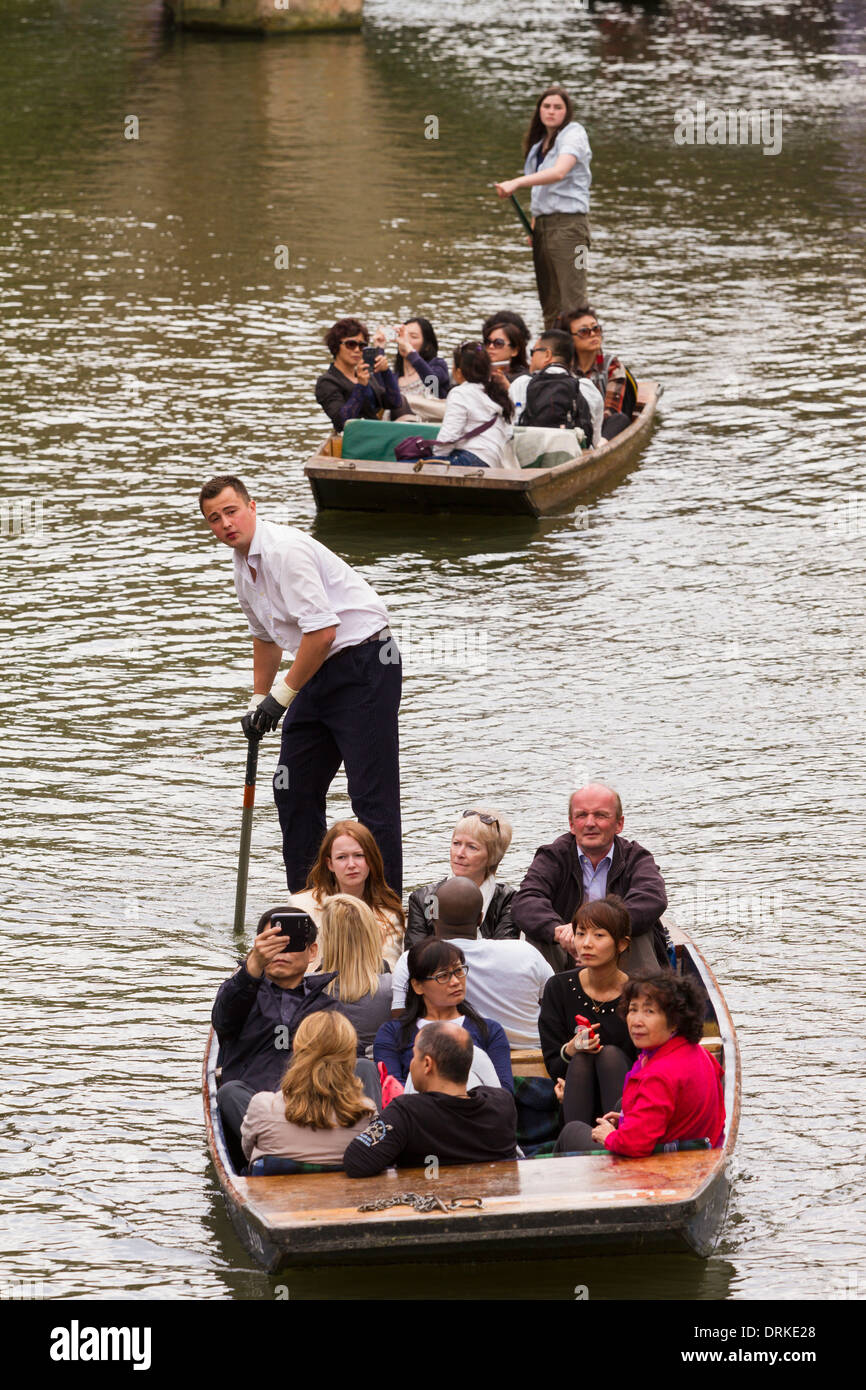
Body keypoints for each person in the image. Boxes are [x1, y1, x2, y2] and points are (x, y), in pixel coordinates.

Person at [199, 475, 403, 894]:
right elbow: (265, 637)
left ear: (252, 507)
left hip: (364, 663)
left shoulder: (284, 552)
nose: (225, 524)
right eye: (214, 519)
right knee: (291, 787)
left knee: (370, 797)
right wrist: (260, 701)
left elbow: (324, 632)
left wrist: (280, 699)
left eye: (231, 511)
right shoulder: (243, 567)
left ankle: (385, 913)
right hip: (316, 670)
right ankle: (311, 904)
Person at [554, 972, 725, 1157]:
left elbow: (634, 1145)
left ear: (675, 1021)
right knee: (620, 1106)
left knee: (571, 1132)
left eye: (649, 1011)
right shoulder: (700, 1053)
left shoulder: (659, 1075)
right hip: (693, 1149)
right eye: (633, 1009)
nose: (636, 1021)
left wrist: (610, 1136)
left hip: (664, 1164)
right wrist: (628, 1120)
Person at [511, 783, 669, 974]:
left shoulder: (636, 857)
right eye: (582, 815)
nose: (590, 823)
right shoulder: (552, 856)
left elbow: (652, 898)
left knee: (637, 932)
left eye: (600, 815)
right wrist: (558, 930)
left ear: (619, 824)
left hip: (617, 952)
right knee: (541, 934)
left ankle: (643, 1000)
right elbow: (526, 900)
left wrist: (596, 930)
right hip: (568, 952)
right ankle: (548, 1000)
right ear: (571, 824)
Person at [212, 906, 338, 1143]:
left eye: (289, 943)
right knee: (229, 1092)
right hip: (255, 1113)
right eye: (272, 943)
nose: (280, 952)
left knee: (363, 1066)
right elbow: (222, 1021)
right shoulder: (240, 993)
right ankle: (276, 1146)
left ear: (312, 952)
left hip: (311, 1111)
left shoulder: (326, 1005)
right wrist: (252, 967)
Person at [392, 878, 553, 1049]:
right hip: (533, 1055)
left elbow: (400, 1020)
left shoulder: (413, 960)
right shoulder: (525, 952)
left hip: (454, 1058)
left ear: (432, 915)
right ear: (480, 919)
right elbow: (554, 1005)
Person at [344, 1021, 518, 1177]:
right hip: (494, 1204)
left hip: (429, 1205)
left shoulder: (407, 1112)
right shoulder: (503, 1103)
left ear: (427, 1064)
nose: (411, 1063)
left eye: (414, 1055)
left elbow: (356, 1162)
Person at [495, 86, 591, 328]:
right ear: (539, 110)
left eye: (558, 107)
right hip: (544, 226)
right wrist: (535, 224)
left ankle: (587, 359)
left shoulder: (574, 133)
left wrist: (516, 182)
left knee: (574, 301)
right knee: (549, 301)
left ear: (567, 112)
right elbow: (542, 190)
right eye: (546, 106)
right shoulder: (539, 144)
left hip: (570, 226)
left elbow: (558, 173)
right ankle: (555, 356)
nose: (551, 111)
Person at [538, 896, 637, 1129]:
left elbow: (647, 1060)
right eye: (580, 934)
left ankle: (617, 1133)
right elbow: (553, 1064)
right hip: (575, 1098)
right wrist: (571, 1048)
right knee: (581, 1057)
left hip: (627, 1101)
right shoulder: (558, 987)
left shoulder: (638, 994)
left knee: (609, 1055)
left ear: (621, 944)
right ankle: (579, 1142)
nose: (586, 943)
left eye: (599, 935)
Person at [374, 938, 513, 1091]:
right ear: (418, 986)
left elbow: (504, 1091)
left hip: (475, 1112)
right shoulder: (392, 1033)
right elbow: (393, 1090)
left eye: (459, 971)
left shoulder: (489, 1030)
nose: (455, 981)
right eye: (443, 976)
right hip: (417, 1113)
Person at [240, 1012, 376, 1167]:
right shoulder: (366, 1113)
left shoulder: (262, 1106)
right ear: (350, 1054)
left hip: (277, 1186)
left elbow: (247, 1154)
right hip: (342, 1190)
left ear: (296, 1049)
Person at [288, 820, 404, 970]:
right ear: (330, 864)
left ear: (371, 860)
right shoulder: (300, 906)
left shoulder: (389, 915)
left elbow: (390, 970)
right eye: (342, 857)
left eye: (359, 855)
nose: (351, 864)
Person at [404, 808, 517, 951]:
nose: (459, 853)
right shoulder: (426, 899)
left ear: (493, 856)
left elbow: (504, 954)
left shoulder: (507, 900)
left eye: (472, 847)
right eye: (456, 843)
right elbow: (415, 954)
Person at [315, 895, 394, 1054]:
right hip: (377, 1072)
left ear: (326, 939)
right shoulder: (393, 988)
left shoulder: (309, 989)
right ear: (372, 934)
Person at [314, 317, 411, 432]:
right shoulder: (327, 382)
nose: (357, 350)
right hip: (355, 440)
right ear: (336, 346)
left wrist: (385, 372)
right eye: (351, 344)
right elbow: (342, 422)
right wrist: (360, 386)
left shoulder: (366, 375)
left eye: (362, 346)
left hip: (376, 432)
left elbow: (394, 402)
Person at [554, 306, 636, 440]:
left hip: (601, 429)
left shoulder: (611, 366)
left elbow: (612, 410)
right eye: (584, 332)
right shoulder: (562, 369)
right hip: (571, 429)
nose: (593, 334)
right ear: (569, 339)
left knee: (619, 419)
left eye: (596, 329)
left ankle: (598, 448)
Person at [431, 342, 514, 470]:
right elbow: (509, 432)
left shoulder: (460, 392)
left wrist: (435, 461)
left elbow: (448, 438)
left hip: (470, 459)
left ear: (458, 372)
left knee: (408, 465)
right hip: (493, 461)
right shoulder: (497, 392)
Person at [511, 329, 596, 444]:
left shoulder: (522, 383)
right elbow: (595, 439)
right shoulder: (586, 387)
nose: (531, 358)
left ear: (547, 354)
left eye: (533, 352)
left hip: (531, 453)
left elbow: (512, 428)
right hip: (575, 452)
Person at [377, 317, 450, 399]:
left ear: (427, 346)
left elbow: (431, 380)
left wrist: (410, 352)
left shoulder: (438, 365)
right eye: (403, 336)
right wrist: (379, 348)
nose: (405, 341)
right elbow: (380, 393)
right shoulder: (394, 378)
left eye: (413, 336)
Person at [482, 320, 531, 386]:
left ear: (514, 351)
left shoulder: (523, 379)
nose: (491, 346)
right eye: (487, 342)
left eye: (498, 343)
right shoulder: (478, 372)